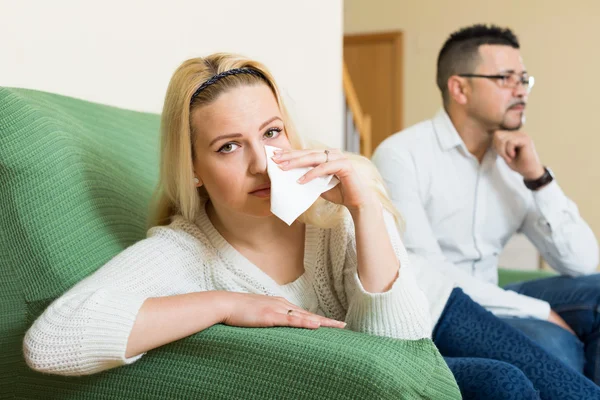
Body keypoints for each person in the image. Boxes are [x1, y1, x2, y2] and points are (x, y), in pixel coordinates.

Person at [23, 53, 600, 399]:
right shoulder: (183, 252)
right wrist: (224, 303)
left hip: (435, 303)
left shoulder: (333, 214)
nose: (261, 162)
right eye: (228, 146)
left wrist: (367, 206)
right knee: (503, 383)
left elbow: (405, 334)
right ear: (193, 170)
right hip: (399, 341)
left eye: (272, 134)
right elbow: (50, 343)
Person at [373, 24, 600, 386]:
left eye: (524, 78)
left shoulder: (517, 163)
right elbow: (426, 273)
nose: (521, 89)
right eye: (505, 78)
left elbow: (583, 263)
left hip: (496, 296)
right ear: (459, 88)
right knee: (554, 343)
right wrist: (540, 311)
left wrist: (538, 177)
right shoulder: (401, 156)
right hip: (444, 309)